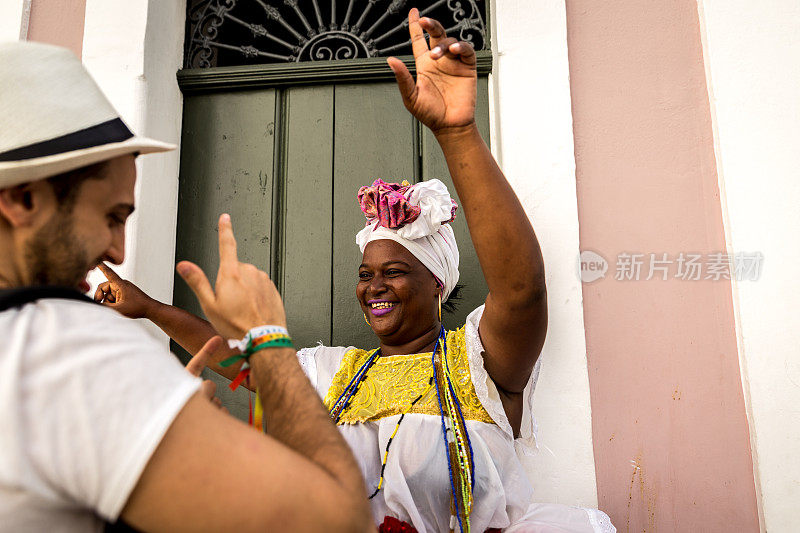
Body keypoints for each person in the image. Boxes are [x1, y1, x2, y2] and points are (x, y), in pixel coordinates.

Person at [95, 10, 615, 533]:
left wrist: (456, 134)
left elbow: (523, 291)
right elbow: (240, 362)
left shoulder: (480, 365)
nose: (373, 287)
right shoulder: (337, 375)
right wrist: (148, 309)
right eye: (366, 274)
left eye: (393, 271)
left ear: (437, 283)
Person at [0, 41, 373, 532]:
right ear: (24, 200)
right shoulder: (61, 348)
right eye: (112, 217)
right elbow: (337, 522)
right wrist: (268, 336)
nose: (117, 251)